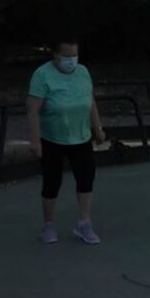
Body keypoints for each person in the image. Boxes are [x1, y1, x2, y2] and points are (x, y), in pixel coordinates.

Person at [27, 39, 106, 244]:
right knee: (52, 181)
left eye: (74, 55)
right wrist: (35, 140)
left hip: (81, 136)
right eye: (67, 56)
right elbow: (33, 109)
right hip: (53, 137)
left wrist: (97, 128)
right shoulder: (42, 75)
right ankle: (48, 225)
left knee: (86, 178)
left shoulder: (83, 72)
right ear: (55, 55)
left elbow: (90, 100)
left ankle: (84, 222)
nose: (71, 60)